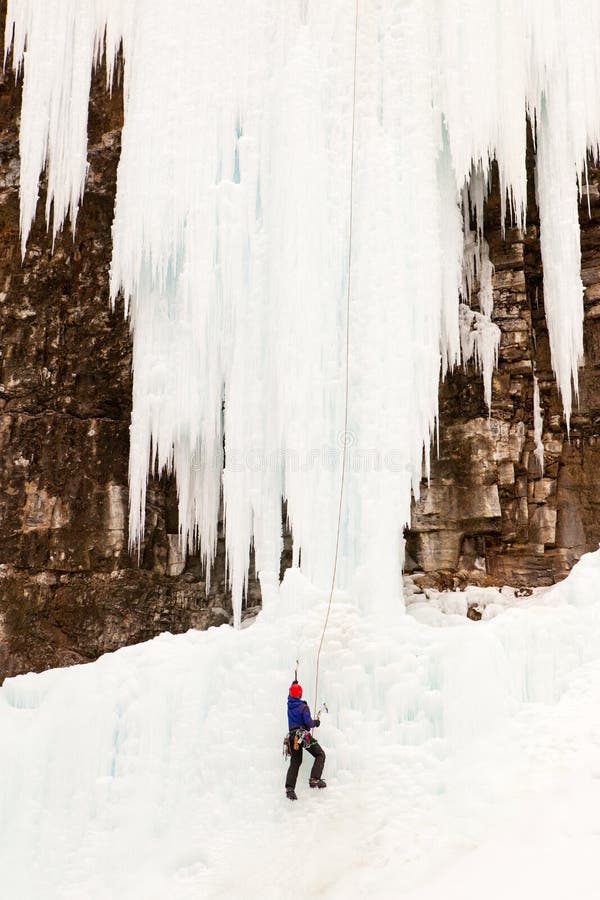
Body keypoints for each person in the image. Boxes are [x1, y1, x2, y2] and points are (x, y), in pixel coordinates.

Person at [285, 681, 326, 801]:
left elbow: (289, 695)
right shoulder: (303, 707)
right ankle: (314, 778)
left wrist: (292, 685)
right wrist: (316, 723)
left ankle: (290, 789)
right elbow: (308, 723)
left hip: (293, 737)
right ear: (300, 694)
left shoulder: (289, 704)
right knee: (320, 754)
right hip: (302, 735)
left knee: (296, 761)